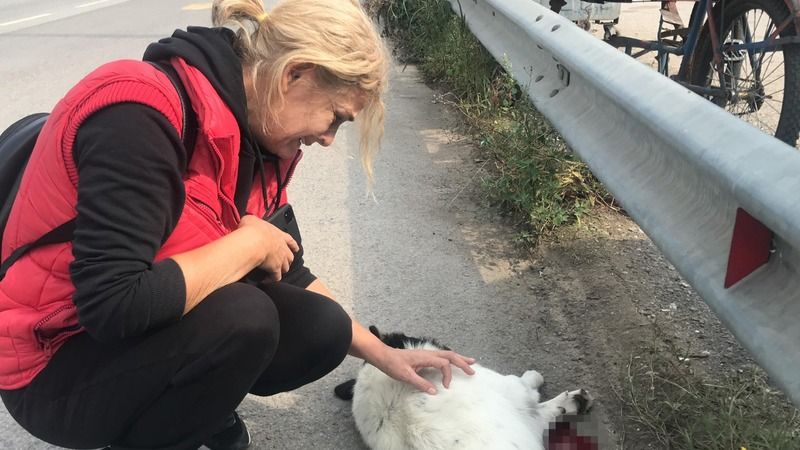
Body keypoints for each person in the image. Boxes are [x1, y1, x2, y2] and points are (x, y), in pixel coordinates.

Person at [0, 0, 475, 449]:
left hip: (127, 335)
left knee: (321, 327)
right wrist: (248, 244)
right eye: (336, 117)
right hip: (51, 365)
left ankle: (196, 404)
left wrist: (386, 355)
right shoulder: (139, 115)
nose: (329, 140)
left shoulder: (264, 146)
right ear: (295, 74)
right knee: (245, 318)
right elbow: (113, 305)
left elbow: (290, 271)